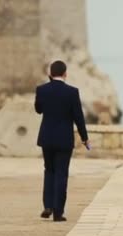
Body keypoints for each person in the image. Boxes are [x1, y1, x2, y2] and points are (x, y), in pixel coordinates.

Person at [34, 60, 89, 222]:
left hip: (46, 138)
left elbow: (38, 110)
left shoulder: (42, 90)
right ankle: (58, 212)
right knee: (61, 174)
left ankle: (47, 206)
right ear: (65, 74)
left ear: (50, 74)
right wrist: (84, 138)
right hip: (64, 140)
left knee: (49, 170)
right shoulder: (72, 92)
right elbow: (79, 118)